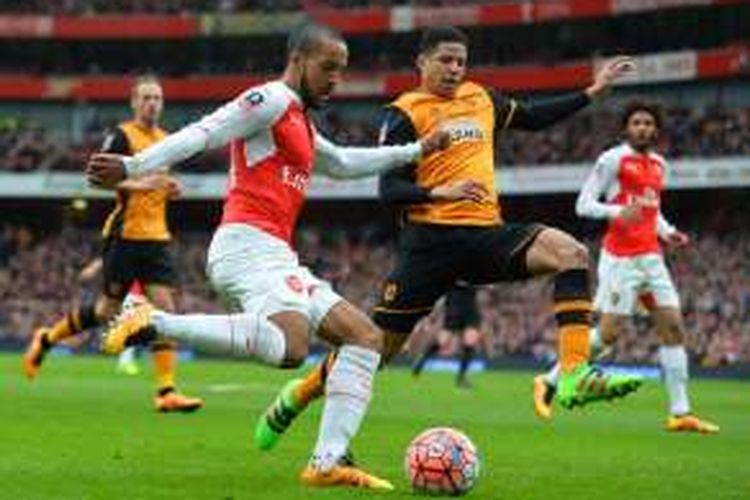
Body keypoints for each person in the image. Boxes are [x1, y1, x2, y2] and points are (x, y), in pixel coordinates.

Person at [86, 23, 450, 490]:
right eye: (328, 68)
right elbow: (207, 130)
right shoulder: (270, 100)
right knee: (293, 346)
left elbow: (340, 163)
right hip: (245, 244)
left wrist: (416, 149)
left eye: (342, 70)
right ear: (298, 60)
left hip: (274, 252)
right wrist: (135, 166)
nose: (336, 80)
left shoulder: (298, 117)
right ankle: (155, 321)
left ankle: (326, 462)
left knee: (364, 338)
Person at [255, 25, 643, 452]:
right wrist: (438, 192)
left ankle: (572, 375)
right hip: (429, 247)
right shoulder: (405, 111)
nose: (455, 68)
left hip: (485, 236)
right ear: (421, 62)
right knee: (374, 353)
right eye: (445, 60)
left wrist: (593, 91)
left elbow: (534, 116)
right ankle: (298, 394)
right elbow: (389, 190)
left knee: (570, 252)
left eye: (461, 61)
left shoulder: (483, 98)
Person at [532, 102, 719, 434]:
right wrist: (617, 213)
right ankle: (548, 379)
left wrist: (667, 231)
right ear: (625, 128)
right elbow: (583, 204)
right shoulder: (612, 159)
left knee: (674, 328)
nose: (643, 128)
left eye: (648, 123)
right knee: (607, 336)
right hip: (621, 260)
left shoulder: (659, 164)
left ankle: (680, 413)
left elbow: (652, 209)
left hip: (652, 258)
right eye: (637, 122)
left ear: (656, 130)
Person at [22, 77, 203, 413]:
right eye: (146, 97)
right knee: (106, 311)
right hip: (124, 235)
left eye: (158, 98)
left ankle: (166, 392)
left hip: (157, 238)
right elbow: (95, 179)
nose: (152, 103)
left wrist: (169, 187)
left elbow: (157, 185)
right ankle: (46, 338)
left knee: (166, 312)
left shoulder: (166, 141)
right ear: (134, 102)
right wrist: (140, 185)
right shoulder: (121, 136)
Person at [412, 284, 482, 388]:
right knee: (443, 340)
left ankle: (461, 377)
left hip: (471, 307)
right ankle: (422, 360)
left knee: (470, 341)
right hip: (454, 305)